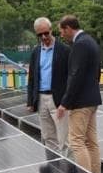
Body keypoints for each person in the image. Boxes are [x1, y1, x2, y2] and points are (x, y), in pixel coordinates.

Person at [56, 15, 102, 173]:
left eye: (62, 31)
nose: (61, 35)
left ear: (68, 28)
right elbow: (97, 71)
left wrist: (65, 103)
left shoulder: (80, 45)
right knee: (91, 142)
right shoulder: (90, 41)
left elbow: (75, 75)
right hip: (92, 99)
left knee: (76, 141)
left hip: (81, 102)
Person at [26, 17, 70, 155]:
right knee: (48, 137)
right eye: (40, 35)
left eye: (46, 33)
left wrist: (67, 100)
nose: (44, 37)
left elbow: (70, 77)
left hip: (58, 100)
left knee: (65, 140)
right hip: (41, 99)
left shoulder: (64, 50)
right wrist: (30, 101)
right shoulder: (36, 52)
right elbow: (32, 78)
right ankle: (55, 171)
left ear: (51, 30)